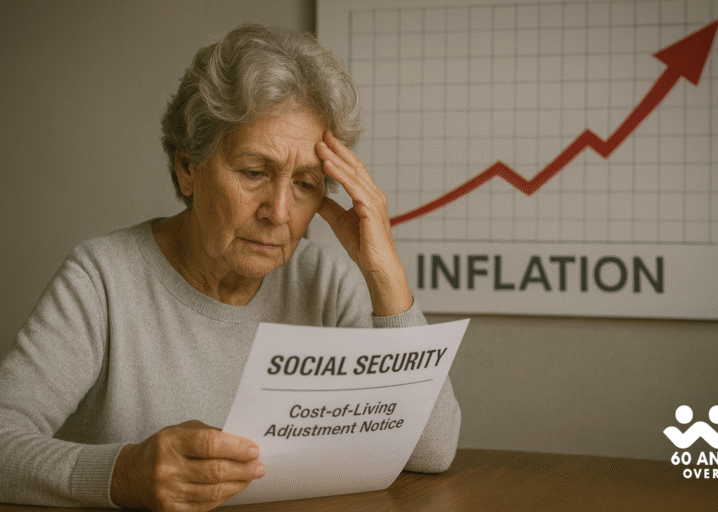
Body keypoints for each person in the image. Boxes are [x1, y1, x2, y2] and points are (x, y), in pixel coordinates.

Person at [0, 24, 460, 510]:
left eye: (305, 184)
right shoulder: (100, 280)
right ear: (187, 168)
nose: (278, 212)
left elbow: (431, 452)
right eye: (254, 172)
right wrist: (123, 474)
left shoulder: (327, 283)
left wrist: (386, 277)